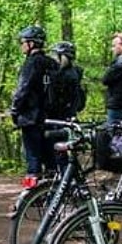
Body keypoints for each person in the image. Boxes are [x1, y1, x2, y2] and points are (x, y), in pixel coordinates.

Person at [10, 24, 58, 185]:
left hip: (31, 118)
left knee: (32, 159)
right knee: (50, 158)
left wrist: (14, 111)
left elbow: (22, 89)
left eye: (23, 42)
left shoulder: (31, 63)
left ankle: (29, 195)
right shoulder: (52, 63)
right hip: (50, 119)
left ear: (31, 43)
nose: (21, 45)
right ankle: (54, 195)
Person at [48, 41, 86, 120]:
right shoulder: (73, 72)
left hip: (61, 116)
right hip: (65, 115)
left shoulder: (67, 75)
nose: (54, 59)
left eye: (56, 56)